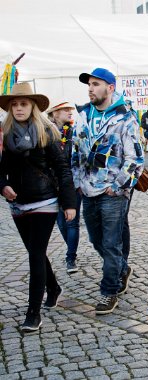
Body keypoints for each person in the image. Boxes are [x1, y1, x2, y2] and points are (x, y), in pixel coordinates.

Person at [0, 83, 76, 331]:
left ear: (32, 106)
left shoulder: (47, 132)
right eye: (15, 104)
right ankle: (53, 287)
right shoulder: (6, 134)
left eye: (23, 104)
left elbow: (63, 170)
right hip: (18, 204)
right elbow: (1, 170)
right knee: (36, 252)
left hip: (45, 202)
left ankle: (33, 313)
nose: (19, 108)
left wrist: (69, 203)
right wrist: (2, 186)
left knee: (34, 255)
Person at [72, 68, 144, 314]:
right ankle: (122, 268)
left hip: (113, 192)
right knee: (96, 239)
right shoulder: (83, 115)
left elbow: (135, 159)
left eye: (95, 84)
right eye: (89, 85)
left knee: (112, 242)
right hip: (88, 189)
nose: (90, 88)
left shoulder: (125, 118)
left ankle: (108, 291)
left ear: (110, 88)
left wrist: (119, 187)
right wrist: (77, 183)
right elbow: (76, 152)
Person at [47, 101, 82, 273]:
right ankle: (71, 249)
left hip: (73, 183)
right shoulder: (46, 133)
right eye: (64, 110)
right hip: (53, 185)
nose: (69, 112)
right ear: (54, 114)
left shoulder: (73, 132)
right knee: (61, 222)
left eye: (70, 110)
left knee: (72, 222)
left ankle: (71, 258)